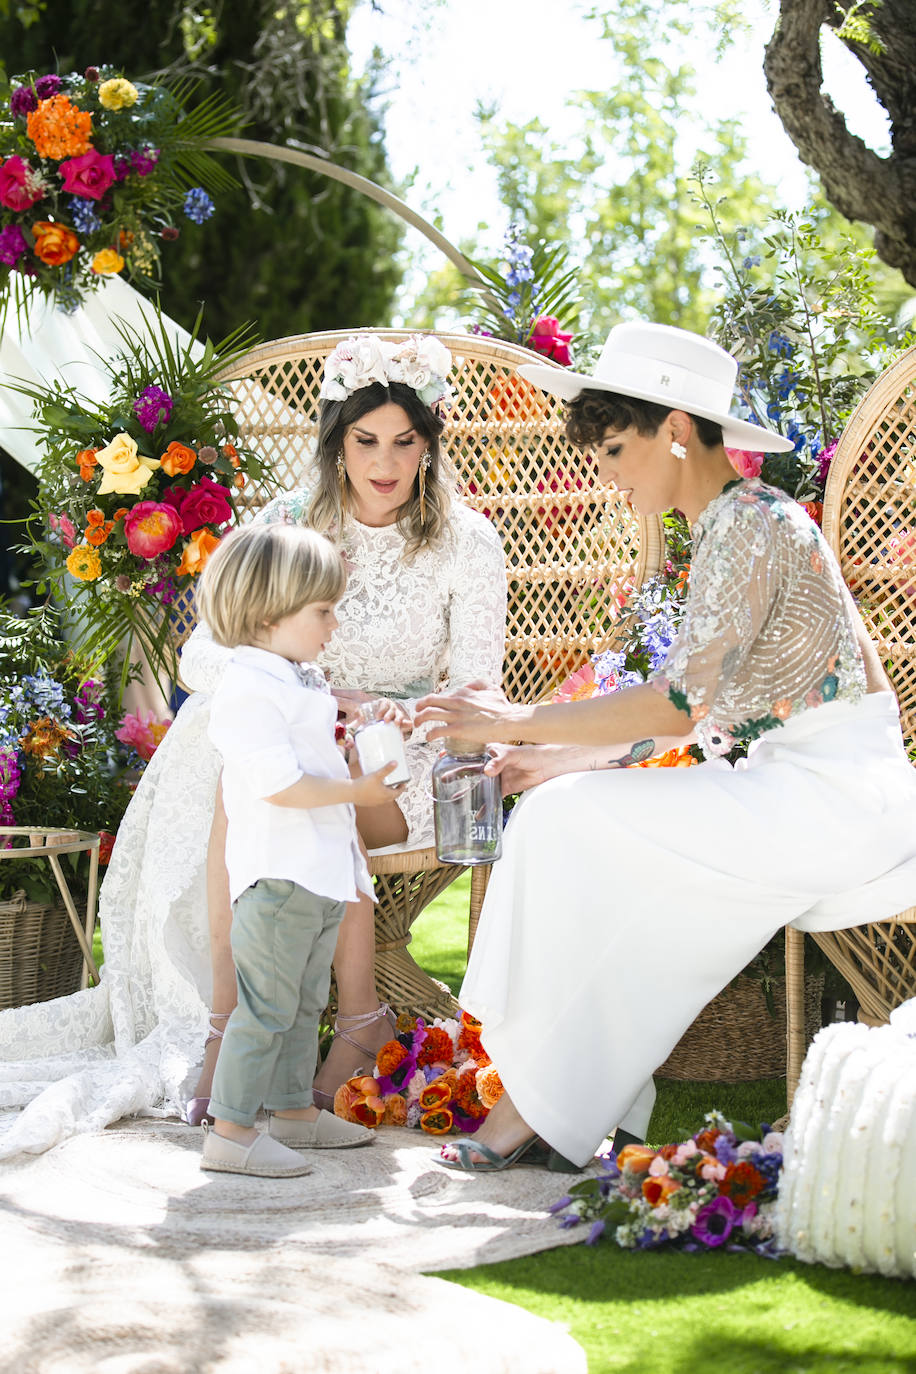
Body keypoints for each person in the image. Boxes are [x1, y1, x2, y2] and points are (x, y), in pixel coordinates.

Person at [414, 320, 916, 1173]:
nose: (606, 474)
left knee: (567, 829)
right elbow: (711, 711)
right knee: (570, 827)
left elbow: (681, 706)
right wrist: (562, 759)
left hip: (832, 801)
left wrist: (509, 724)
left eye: (615, 448)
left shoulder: (754, 523)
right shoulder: (742, 522)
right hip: (793, 786)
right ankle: (556, 1103)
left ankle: (536, 1107)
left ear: (676, 431)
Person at [0, 333, 506, 1160]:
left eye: (406, 443)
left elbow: (478, 688)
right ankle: (247, 1019)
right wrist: (302, 689)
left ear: (430, 444)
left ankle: (262, 1027)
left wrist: (378, 712)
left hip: (400, 751)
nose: (385, 463)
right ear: (336, 440)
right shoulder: (288, 522)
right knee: (232, 738)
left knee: (303, 763)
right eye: (365, 440)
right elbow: (205, 652)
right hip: (289, 739)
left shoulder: (465, 542)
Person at [196, 522, 392, 1177]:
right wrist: (358, 790)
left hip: (315, 873)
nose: (334, 624)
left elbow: (311, 719)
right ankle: (229, 1132)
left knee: (306, 1002)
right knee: (267, 1008)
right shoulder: (247, 689)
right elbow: (278, 785)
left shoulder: (292, 677)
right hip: (279, 878)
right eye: (324, 611)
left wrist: (351, 707)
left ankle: (290, 1110)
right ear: (267, 614)